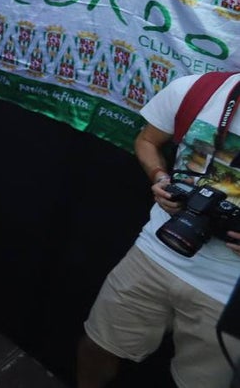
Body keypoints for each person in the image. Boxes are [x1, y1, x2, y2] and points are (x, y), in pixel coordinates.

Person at [77, 73, 240, 388]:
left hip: (229, 291)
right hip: (157, 252)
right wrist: (159, 177)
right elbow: (147, 140)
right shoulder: (198, 90)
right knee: (96, 347)